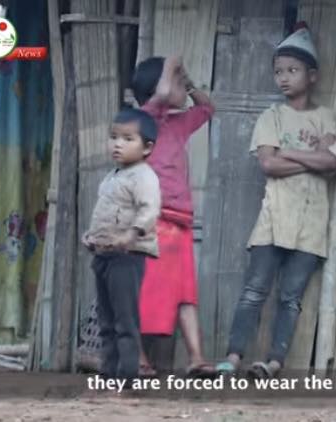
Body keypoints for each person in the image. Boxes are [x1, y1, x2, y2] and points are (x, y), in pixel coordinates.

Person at [216, 23, 336, 379]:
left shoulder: (326, 117)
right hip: (273, 219)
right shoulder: (270, 116)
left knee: (290, 298)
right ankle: (233, 358)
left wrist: (287, 151)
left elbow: (332, 162)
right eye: (278, 71)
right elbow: (269, 165)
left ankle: (272, 363)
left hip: (310, 223)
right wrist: (311, 158)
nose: (283, 78)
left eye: (292, 70)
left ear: (312, 76)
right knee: (253, 292)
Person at [131, 55, 215, 376]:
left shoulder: (177, 125)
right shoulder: (142, 121)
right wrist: (175, 60)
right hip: (151, 222)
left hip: (179, 223)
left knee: (184, 294)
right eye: (177, 82)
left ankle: (196, 358)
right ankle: (138, 359)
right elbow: (165, 92)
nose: (179, 87)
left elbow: (207, 108)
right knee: (140, 291)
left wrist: (188, 83)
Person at [82, 108, 161, 380]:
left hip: (127, 257)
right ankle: (108, 373)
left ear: (147, 148)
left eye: (128, 139)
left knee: (124, 320)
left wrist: (131, 234)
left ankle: (126, 377)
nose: (118, 144)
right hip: (104, 255)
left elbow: (149, 210)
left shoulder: (144, 176)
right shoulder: (112, 176)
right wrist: (91, 237)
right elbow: (104, 214)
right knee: (106, 320)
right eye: (114, 137)